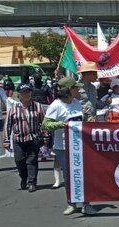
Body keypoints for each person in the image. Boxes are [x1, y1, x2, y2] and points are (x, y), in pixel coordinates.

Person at [43, 77, 96, 216]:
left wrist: (88, 120)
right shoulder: (56, 105)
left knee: (83, 175)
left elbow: (81, 119)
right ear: (68, 90)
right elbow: (46, 124)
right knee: (69, 177)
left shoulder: (77, 103)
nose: (78, 90)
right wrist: (62, 125)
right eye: (75, 88)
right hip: (63, 146)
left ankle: (86, 204)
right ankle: (71, 203)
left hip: (80, 145)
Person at [3, 84, 46, 192]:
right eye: (23, 92)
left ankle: (32, 182)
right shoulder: (14, 108)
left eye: (28, 92)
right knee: (19, 160)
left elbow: (44, 122)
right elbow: (8, 125)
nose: (26, 94)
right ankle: (24, 177)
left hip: (33, 138)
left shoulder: (37, 106)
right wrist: (6, 140)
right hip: (19, 139)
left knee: (32, 160)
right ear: (19, 95)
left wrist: (46, 136)